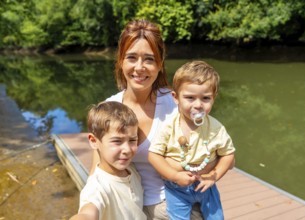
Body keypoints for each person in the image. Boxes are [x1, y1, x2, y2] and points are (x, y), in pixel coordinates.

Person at [91, 19, 223, 219]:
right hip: (129, 207)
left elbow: (221, 152)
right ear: (120, 60)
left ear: (160, 64)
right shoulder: (107, 110)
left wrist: (181, 169)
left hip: (174, 203)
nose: (140, 67)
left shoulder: (177, 104)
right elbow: (96, 171)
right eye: (132, 57)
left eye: (149, 59)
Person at [148, 60, 236, 220]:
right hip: (176, 188)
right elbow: (154, 155)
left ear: (214, 98)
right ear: (175, 98)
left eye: (205, 98)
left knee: (217, 217)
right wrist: (174, 175)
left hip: (206, 186)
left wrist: (214, 175)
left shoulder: (215, 128)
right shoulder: (169, 126)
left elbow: (228, 155)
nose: (198, 105)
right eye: (190, 97)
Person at [71, 101, 146, 220]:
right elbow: (88, 213)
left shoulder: (131, 170)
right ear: (94, 141)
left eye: (132, 140)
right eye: (117, 141)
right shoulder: (97, 188)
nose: (127, 149)